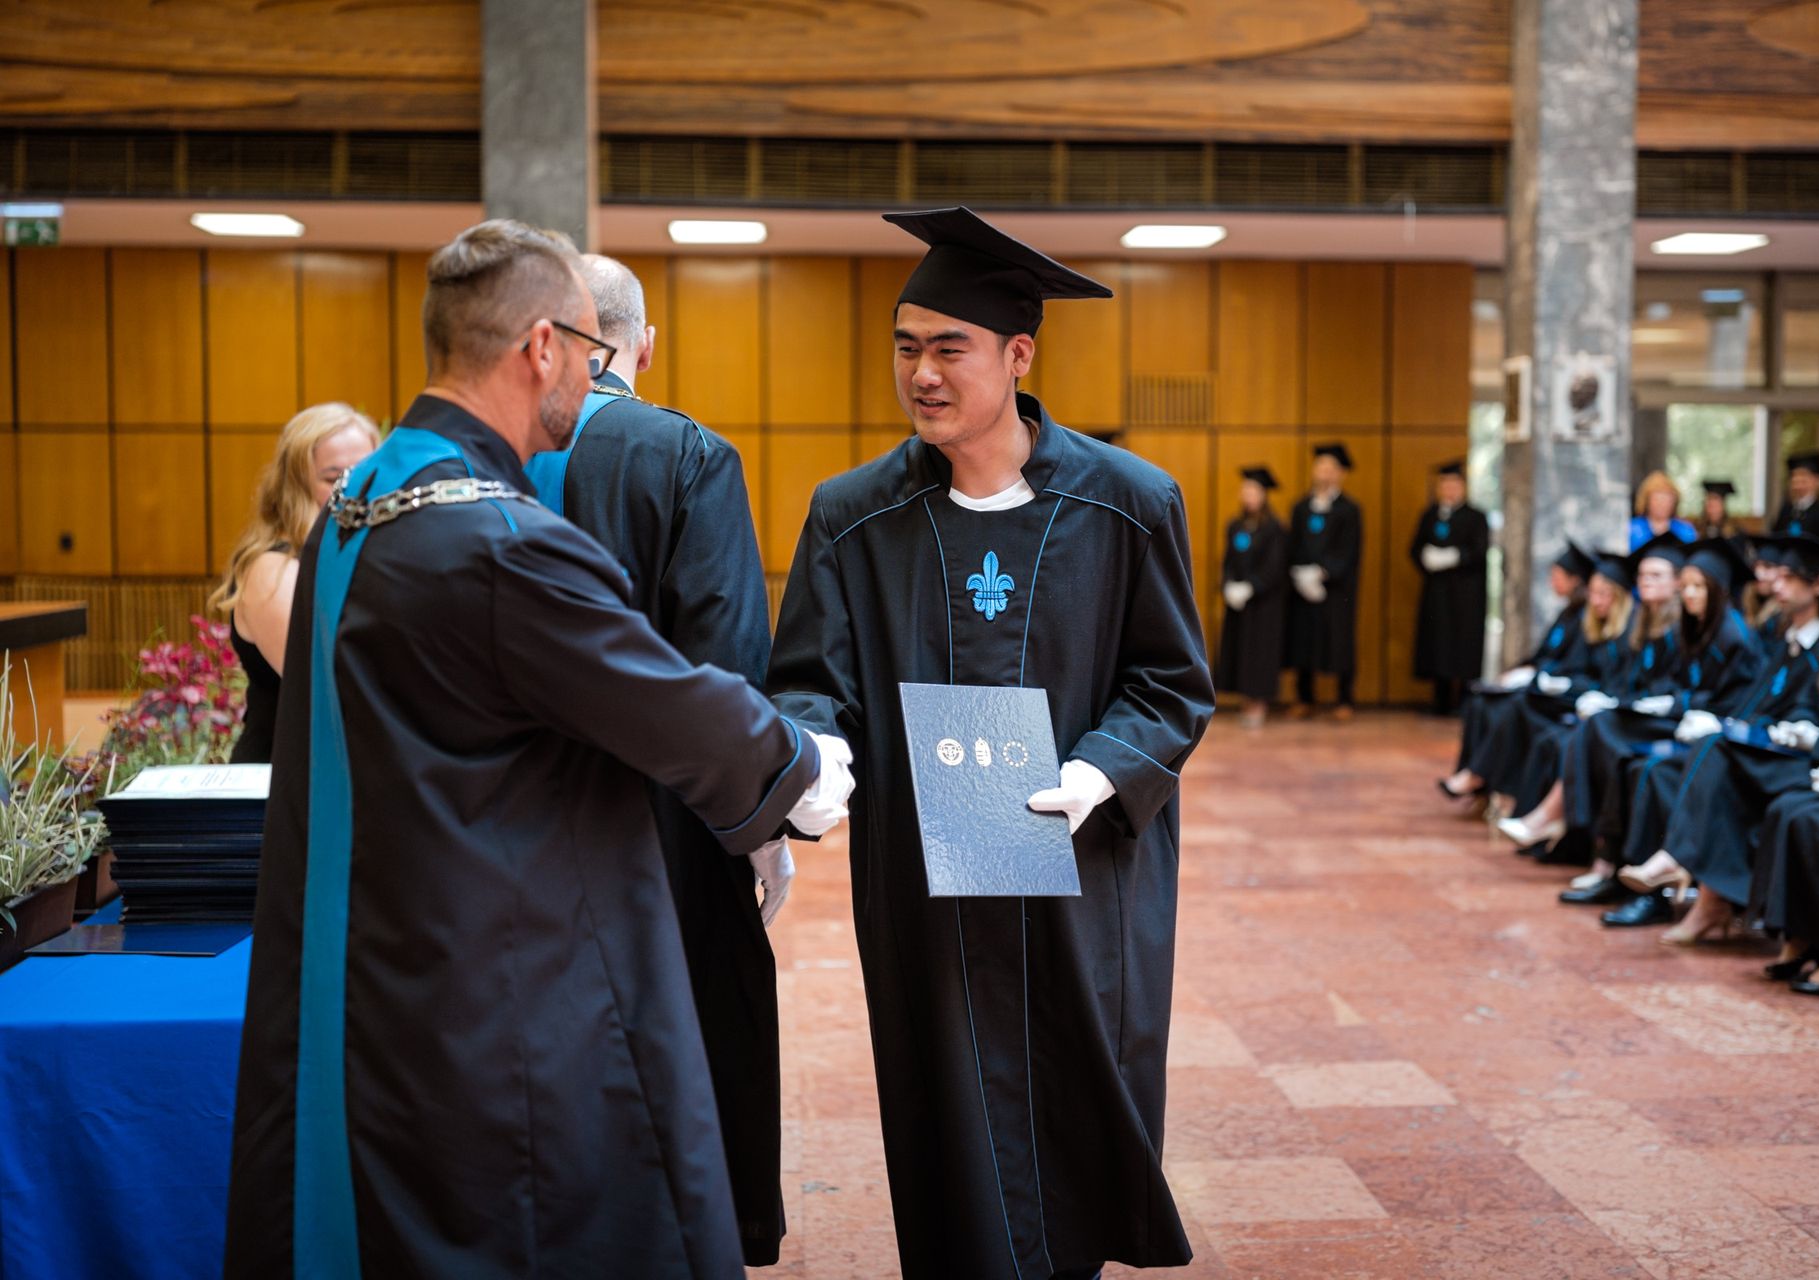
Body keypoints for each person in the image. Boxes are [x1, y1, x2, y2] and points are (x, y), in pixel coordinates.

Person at [226, 219, 855, 1279]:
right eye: (586, 350)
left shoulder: (361, 505)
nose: (592, 376)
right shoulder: (492, 540)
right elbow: (661, 693)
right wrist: (798, 762)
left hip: (384, 927)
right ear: (541, 347)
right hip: (485, 962)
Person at [766, 206, 1212, 1280]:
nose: (921, 373)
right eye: (905, 347)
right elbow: (810, 678)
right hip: (925, 874)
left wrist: (1097, 770)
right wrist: (816, 755)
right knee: (944, 1093)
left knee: (1077, 1082)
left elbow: (1171, 681)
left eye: (948, 347)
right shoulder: (852, 516)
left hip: (1082, 867)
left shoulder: (1129, 503)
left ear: (1018, 354)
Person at [520, 253, 788, 1265]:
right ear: (645, 344)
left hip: (506, 823)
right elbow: (726, 670)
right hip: (658, 829)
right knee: (684, 1035)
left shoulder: (476, 455)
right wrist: (758, 825)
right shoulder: (685, 454)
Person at [1630, 558, 1819, 950]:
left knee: (1721, 754)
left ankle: (1685, 867)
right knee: (1703, 759)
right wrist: (1797, 727)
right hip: (1816, 756)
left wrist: (1815, 740)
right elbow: (1808, 703)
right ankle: (1706, 895)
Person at [1593, 535, 1819, 917]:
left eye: (1789, 577)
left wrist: (1729, 723)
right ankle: (1639, 882)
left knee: (1693, 754)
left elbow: (1805, 711)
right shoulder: (1787, 640)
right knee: (1652, 769)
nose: (1776, 584)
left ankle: (1677, 867)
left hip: (1789, 758)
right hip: (1752, 742)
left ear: (1818, 585)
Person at [207, 403, 379, 763]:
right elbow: (327, 687)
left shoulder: (354, 556)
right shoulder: (274, 569)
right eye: (333, 479)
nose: (356, 490)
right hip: (280, 775)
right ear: (295, 486)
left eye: (365, 473)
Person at [1497, 535, 1686, 855]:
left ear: (1676, 582)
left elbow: (1670, 685)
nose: (1646, 581)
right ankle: (1549, 829)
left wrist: (1616, 702)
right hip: (1629, 708)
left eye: (1656, 575)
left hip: (1661, 717)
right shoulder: (1644, 624)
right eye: (1643, 575)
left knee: (1584, 734)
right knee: (1554, 734)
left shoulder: (1678, 628)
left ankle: (1558, 824)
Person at [1439, 540, 1591, 802]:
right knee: (1479, 702)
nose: (1552, 582)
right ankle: (1474, 779)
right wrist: (1520, 670)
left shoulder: (1583, 619)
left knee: (1509, 707)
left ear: (1575, 580)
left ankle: (1479, 776)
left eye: (1557, 576)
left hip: (1557, 690)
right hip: (1540, 680)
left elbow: (1572, 663)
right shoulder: (1567, 614)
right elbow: (1542, 654)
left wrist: (1534, 674)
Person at [1287, 443, 1363, 721]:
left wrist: (1323, 572)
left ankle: (1345, 699)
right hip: (1302, 586)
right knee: (1304, 639)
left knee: (1339, 640)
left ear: (1341, 473)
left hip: (1336, 589)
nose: (1325, 473)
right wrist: (1300, 574)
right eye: (1321, 466)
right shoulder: (1301, 507)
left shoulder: (1349, 510)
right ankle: (1305, 697)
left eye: (1332, 468)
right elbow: (1293, 544)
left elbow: (1349, 550)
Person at [1410, 459, 1488, 715]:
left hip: (1465, 595)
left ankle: (1464, 699)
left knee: (1463, 644)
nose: (1449, 489)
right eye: (1445, 484)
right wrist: (1426, 557)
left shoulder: (1476, 517)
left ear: (1463, 487)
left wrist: (1455, 557)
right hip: (1437, 593)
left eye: (1454, 484)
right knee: (1438, 644)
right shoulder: (1430, 515)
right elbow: (1415, 548)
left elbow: (1480, 551)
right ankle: (1440, 700)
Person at [1216, 465, 1287, 728]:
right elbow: (1228, 561)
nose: (1247, 495)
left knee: (1260, 651)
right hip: (1238, 601)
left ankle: (1259, 703)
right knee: (1239, 649)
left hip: (1264, 603)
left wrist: (1251, 587)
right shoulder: (1235, 525)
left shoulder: (1274, 528)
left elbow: (1274, 567)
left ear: (1263, 495)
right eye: (1245, 490)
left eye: (1253, 490)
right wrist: (1228, 585)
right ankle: (1244, 699)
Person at [1770, 450, 1819, 542]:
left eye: (1804, 481)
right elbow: (1774, 537)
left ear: (1816, 481)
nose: (1798, 486)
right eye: (1795, 481)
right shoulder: (1786, 509)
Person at [1628, 470, 1696, 550]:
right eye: (1657, 499)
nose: (1662, 504)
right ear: (1646, 502)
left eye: (1667, 500)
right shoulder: (1631, 529)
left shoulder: (1685, 531)